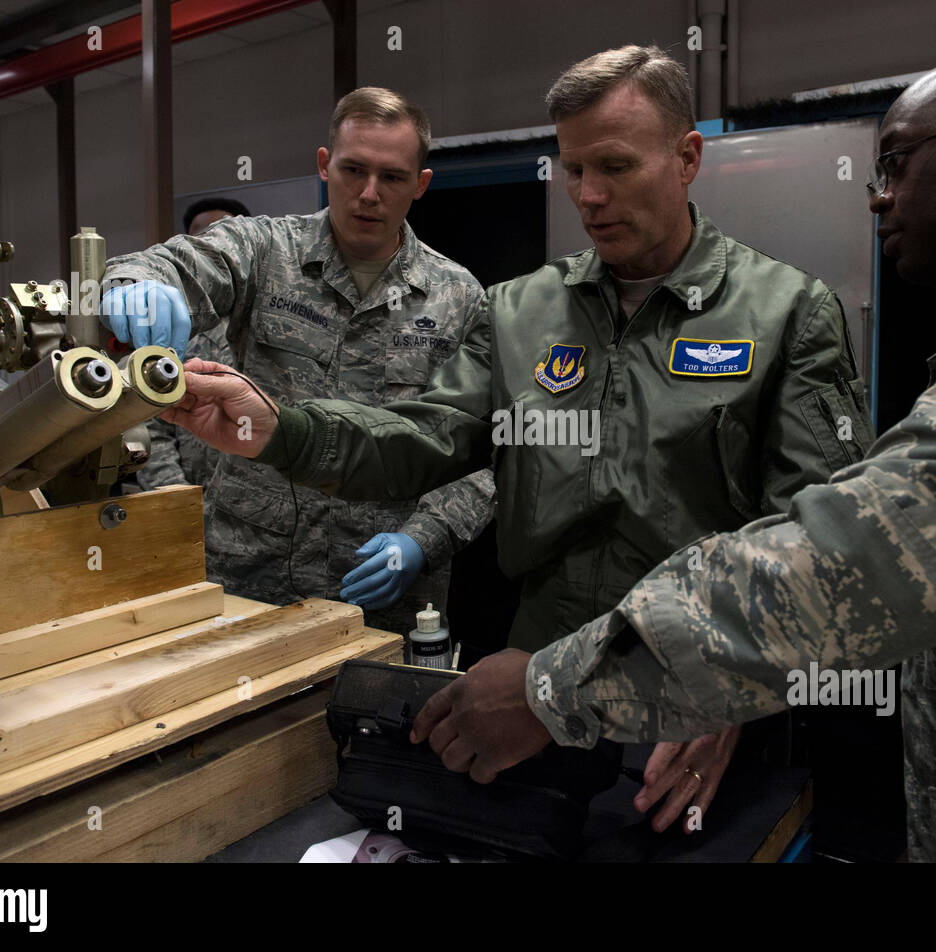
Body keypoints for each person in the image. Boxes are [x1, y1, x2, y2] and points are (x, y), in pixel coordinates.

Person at [402, 45, 936, 862]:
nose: (879, 194)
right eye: (572, 170)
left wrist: (550, 688)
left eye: (897, 160)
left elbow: (861, 552)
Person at [148, 46, 872, 833]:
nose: (589, 196)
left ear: (688, 155)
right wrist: (280, 428)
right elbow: (420, 439)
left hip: (695, 709)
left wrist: (733, 689)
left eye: (616, 166)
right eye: (571, 170)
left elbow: (818, 546)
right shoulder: (521, 311)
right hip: (527, 696)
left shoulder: (787, 314)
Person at [101, 87, 495, 638]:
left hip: (382, 595)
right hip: (250, 578)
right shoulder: (266, 251)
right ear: (323, 165)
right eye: (353, 169)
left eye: (393, 177)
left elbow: (481, 450)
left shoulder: (457, 297)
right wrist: (138, 283)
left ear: (421, 185)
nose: (369, 194)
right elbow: (180, 261)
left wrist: (424, 539)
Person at [136, 199, 252, 491]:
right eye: (202, 240)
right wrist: (175, 496)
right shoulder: (170, 329)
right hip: (193, 505)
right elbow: (149, 425)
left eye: (224, 236)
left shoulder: (274, 323)